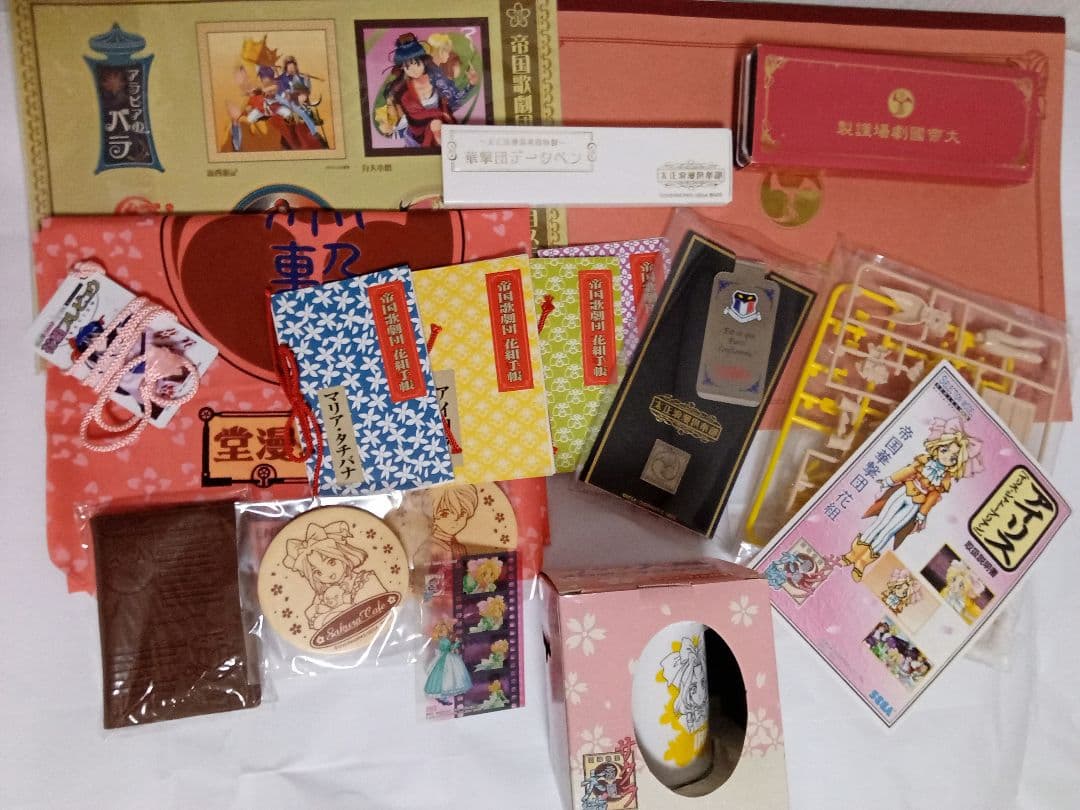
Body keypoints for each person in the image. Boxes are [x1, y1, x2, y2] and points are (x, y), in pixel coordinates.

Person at [841, 419, 981, 581]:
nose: (947, 456)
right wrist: (889, 480)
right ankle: (854, 554)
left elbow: (932, 497)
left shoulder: (944, 479)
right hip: (903, 492)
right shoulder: (924, 460)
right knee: (880, 523)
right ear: (938, 447)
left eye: (953, 458)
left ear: (956, 463)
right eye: (945, 450)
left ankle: (863, 562)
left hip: (915, 505)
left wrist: (922, 514)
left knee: (889, 531)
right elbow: (908, 471)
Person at [281, 521, 387, 629]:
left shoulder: (365, 580)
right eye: (318, 572)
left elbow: (384, 607)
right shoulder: (322, 596)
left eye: (331, 562)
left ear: (342, 554)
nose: (329, 574)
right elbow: (316, 622)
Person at [379, 32, 478, 147]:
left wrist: (471, 85)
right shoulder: (404, 92)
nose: (413, 70)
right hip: (420, 128)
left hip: (443, 123)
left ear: (423, 61)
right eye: (407, 67)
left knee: (439, 126)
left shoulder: (437, 78)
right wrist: (438, 113)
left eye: (416, 64)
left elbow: (453, 101)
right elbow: (416, 115)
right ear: (403, 69)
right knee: (435, 124)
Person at [423, 619, 472, 703]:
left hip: (448, 656)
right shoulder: (442, 641)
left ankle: (446, 694)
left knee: (451, 675)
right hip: (445, 658)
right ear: (439, 633)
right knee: (446, 675)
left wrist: (456, 644)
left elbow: (450, 649)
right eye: (442, 631)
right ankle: (444, 694)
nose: (444, 632)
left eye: (445, 630)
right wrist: (456, 644)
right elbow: (448, 649)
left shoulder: (446, 639)